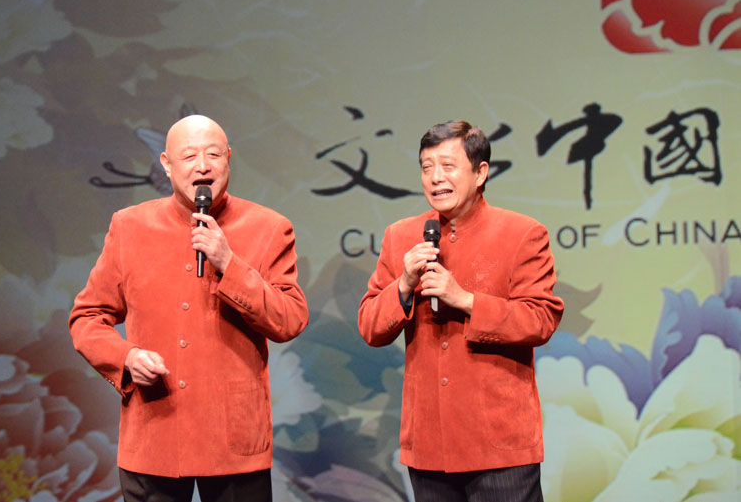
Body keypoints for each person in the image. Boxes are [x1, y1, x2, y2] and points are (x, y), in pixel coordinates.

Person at [69, 115, 308, 502]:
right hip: (154, 438)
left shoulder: (269, 227)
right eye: (190, 156)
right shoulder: (130, 227)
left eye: (213, 154)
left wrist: (229, 263)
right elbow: (87, 317)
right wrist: (125, 357)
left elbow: (290, 319)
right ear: (166, 164)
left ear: (229, 158)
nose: (203, 165)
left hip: (233, 444)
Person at [358, 120, 564, 502]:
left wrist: (465, 300)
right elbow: (371, 327)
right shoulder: (401, 236)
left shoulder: (522, 233)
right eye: (426, 167)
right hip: (429, 444)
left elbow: (541, 319)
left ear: (480, 171)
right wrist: (403, 284)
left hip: (499, 443)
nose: (436, 178)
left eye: (448, 166)